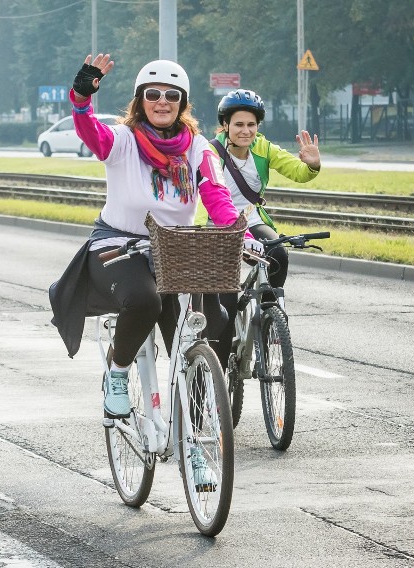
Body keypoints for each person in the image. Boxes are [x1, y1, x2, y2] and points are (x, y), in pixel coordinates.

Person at [49, 54, 261, 420]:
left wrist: (237, 233)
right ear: (140, 99)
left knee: (204, 325)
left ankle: (197, 423)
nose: (162, 101)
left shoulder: (198, 147)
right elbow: (91, 135)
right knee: (148, 301)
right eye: (153, 93)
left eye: (171, 95)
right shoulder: (122, 140)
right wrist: (82, 99)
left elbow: (216, 194)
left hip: (175, 249)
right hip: (118, 244)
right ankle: (117, 374)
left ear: (182, 104)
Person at [210, 89, 320, 366]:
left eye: (251, 125)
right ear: (225, 125)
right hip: (216, 224)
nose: (245, 131)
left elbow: (299, 172)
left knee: (278, 254)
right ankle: (220, 373)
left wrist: (312, 165)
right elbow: (203, 198)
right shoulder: (210, 151)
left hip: (251, 219)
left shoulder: (264, 148)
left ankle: (270, 315)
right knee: (226, 302)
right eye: (238, 124)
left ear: (258, 126)